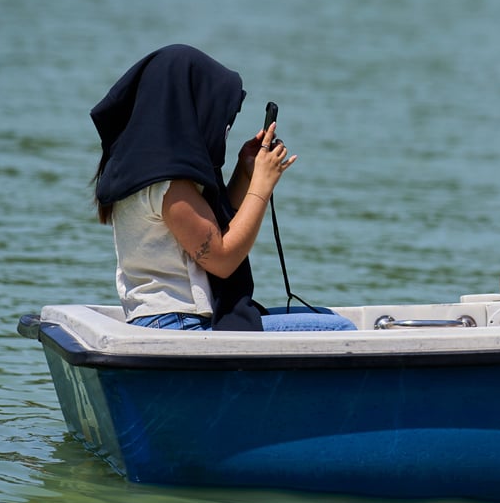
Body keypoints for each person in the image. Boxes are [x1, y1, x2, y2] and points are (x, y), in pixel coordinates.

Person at [90, 44, 355, 331]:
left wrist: (246, 172)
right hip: (180, 324)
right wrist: (262, 187)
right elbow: (222, 259)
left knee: (326, 319)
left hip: (165, 319)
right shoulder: (169, 185)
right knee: (340, 330)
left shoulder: (139, 169)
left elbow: (209, 229)